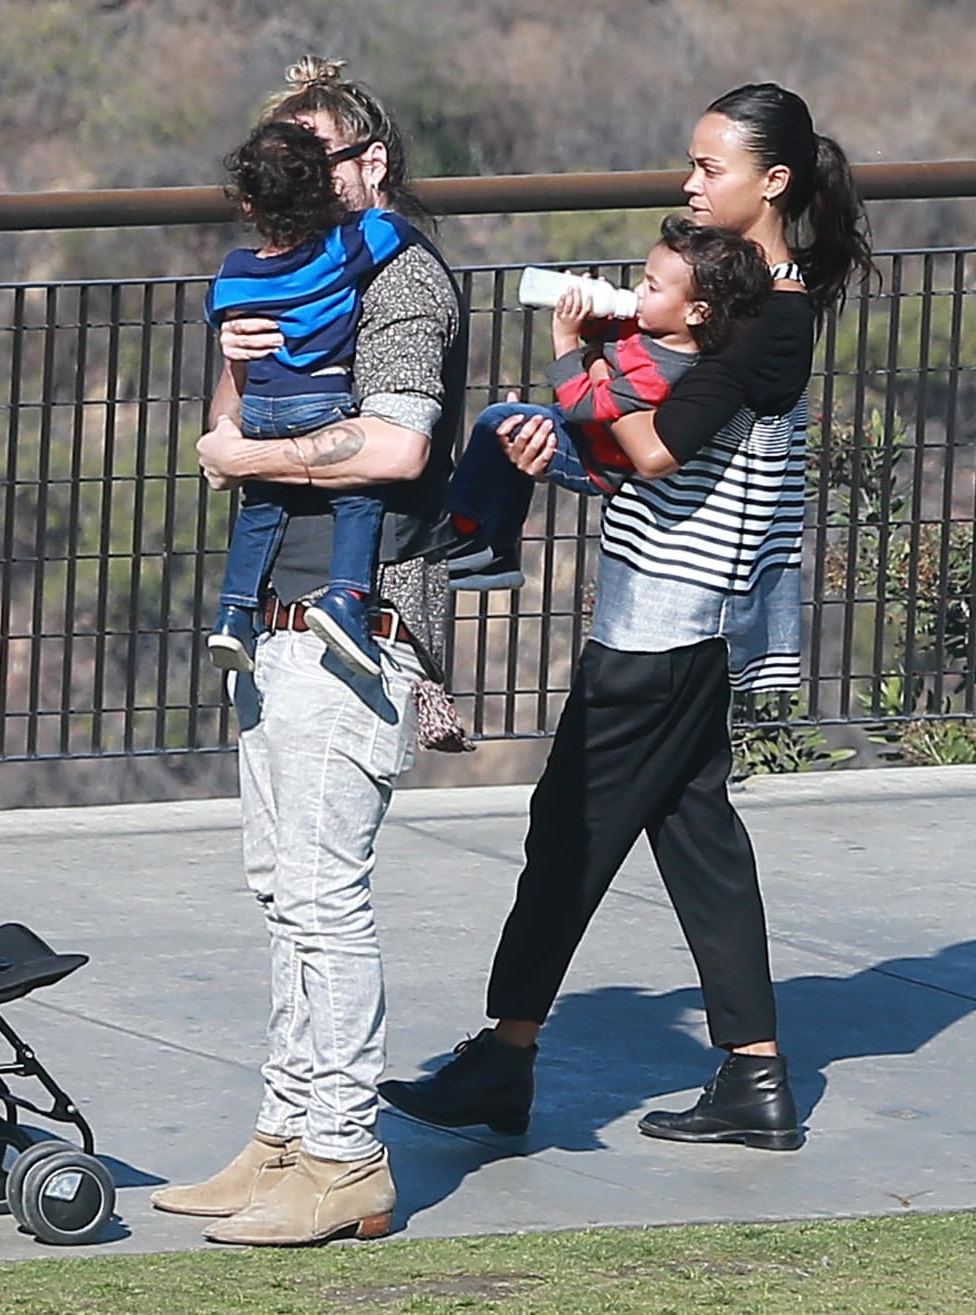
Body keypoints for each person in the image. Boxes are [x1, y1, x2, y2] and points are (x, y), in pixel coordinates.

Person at [380, 82, 873, 1151]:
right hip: (679, 622)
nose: (689, 183)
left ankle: (504, 1059)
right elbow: (661, 464)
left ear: (771, 181)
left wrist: (578, 372)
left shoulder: (765, 323)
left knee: (566, 836)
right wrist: (558, 449)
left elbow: (657, 450)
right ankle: (754, 1075)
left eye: (708, 168)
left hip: (661, 631)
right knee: (698, 840)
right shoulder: (742, 302)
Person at [150, 55, 465, 1246]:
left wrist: (245, 456)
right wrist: (234, 380)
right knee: (281, 889)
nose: (287, 177)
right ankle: (283, 1137)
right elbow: (222, 436)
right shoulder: (290, 274)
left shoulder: (403, 280)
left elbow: (394, 447)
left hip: (359, 626)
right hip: (275, 625)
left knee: (325, 897)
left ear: (367, 164)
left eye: (310, 154)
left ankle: (345, 1157)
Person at [442, 219, 773, 591]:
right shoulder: (651, 327)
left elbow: (585, 404)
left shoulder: (660, 373)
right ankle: (496, 549)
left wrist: (566, 340)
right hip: (586, 434)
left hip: (592, 459)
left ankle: (462, 533)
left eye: (653, 287)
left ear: (697, 312)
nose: (639, 291)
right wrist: (590, 316)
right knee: (507, 433)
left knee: (497, 420)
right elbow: (607, 338)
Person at [206, 119, 417, 677]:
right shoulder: (344, 250)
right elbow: (395, 226)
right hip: (319, 397)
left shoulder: (236, 271)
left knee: (261, 510)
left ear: (249, 205)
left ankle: (233, 613)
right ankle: (346, 596)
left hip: (261, 407)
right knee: (358, 492)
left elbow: (218, 311)